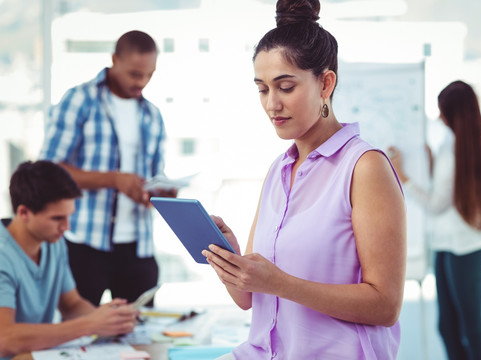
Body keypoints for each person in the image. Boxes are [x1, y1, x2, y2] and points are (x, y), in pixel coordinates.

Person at [202, 0, 407, 358]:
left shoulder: (364, 167)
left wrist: (280, 283)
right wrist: (230, 258)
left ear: (325, 83)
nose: (271, 105)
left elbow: (385, 306)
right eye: (263, 89)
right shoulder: (279, 170)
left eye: (285, 87)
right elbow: (250, 299)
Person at [39, 30, 177, 306]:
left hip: (138, 247)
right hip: (85, 244)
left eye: (149, 75)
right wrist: (114, 180)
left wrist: (158, 192)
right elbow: (48, 170)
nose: (142, 82)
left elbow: (153, 175)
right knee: (78, 334)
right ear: (114, 59)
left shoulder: (152, 114)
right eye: (135, 74)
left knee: (140, 336)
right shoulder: (79, 100)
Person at [389, 80, 481, 360]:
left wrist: (404, 178)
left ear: (452, 112)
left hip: (464, 248)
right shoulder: (463, 142)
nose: (439, 117)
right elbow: (451, 191)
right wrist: (432, 163)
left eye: (442, 111)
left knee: (468, 328)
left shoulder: (456, 147)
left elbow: (436, 205)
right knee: (450, 326)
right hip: (455, 245)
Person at [0, 161, 138, 359]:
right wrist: (91, 324)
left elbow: (71, 304)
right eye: (57, 218)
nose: (67, 227)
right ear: (23, 213)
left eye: (69, 216)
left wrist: (109, 320)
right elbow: (4, 339)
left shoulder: (53, 243)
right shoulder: (3, 255)